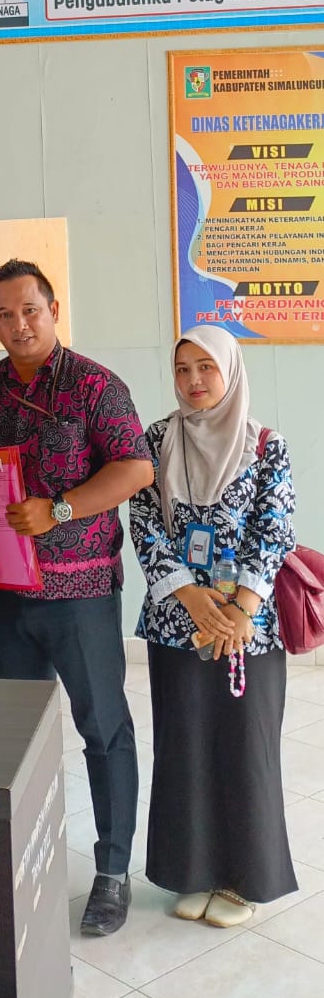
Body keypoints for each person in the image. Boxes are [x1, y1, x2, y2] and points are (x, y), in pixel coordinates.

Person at [0, 259, 153, 935]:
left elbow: (136, 467)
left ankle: (113, 871)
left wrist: (60, 509)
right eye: (5, 314)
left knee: (103, 728)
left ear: (54, 309)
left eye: (30, 310)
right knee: (18, 735)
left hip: (82, 592)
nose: (19, 324)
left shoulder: (96, 384)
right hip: (7, 594)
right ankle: (24, 861)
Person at [129, 325, 297, 927]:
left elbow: (275, 529)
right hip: (178, 623)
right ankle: (193, 871)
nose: (194, 380)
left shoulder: (265, 445)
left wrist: (238, 611)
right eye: (182, 369)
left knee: (245, 747)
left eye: (206, 367)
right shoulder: (155, 441)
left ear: (230, 371)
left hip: (249, 628)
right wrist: (191, 598)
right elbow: (143, 524)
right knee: (185, 745)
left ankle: (243, 880)